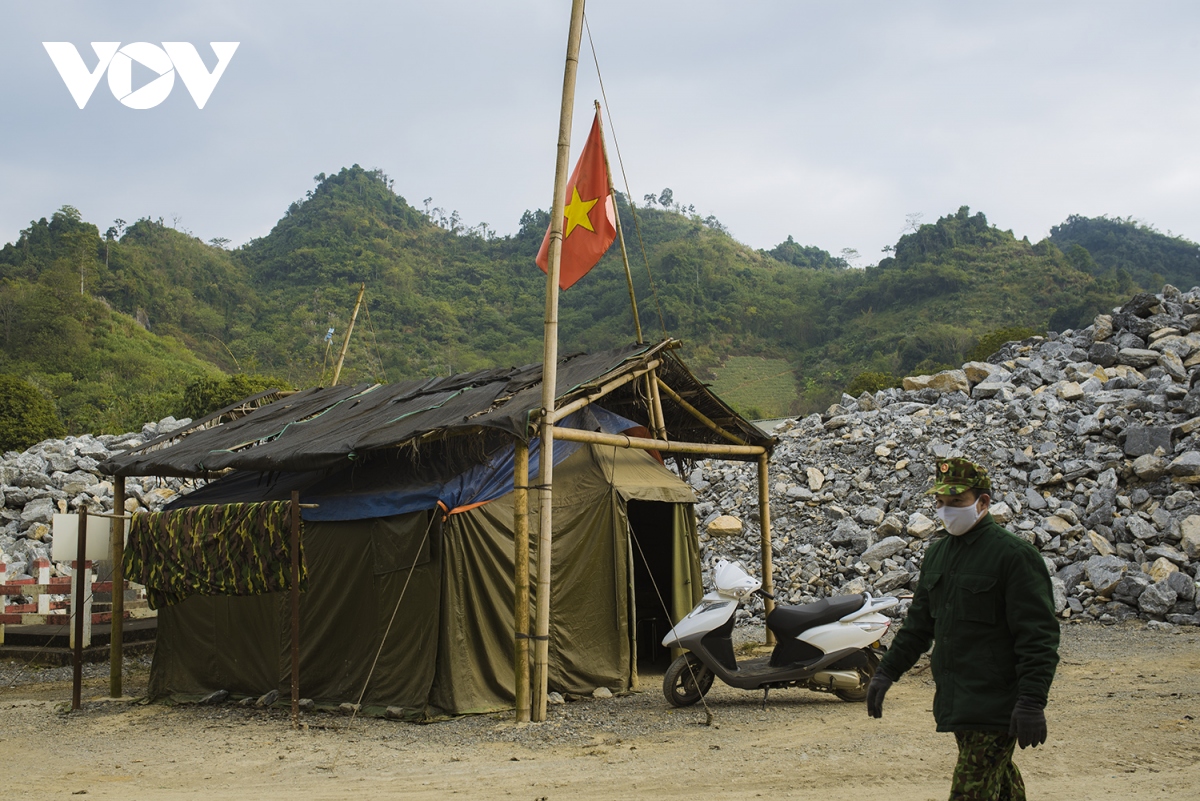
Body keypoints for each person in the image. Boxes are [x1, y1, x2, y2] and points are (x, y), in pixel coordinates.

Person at [866, 457, 1060, 801]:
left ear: (982, 503)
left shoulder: (1014, 556)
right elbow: (919, 624)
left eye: (957, 502)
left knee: (971, 788)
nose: (946, 510)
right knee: (997, 780)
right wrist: (886, 672)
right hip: (959, 697)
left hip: (997, 701)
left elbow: (1038, 636)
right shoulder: (939, 553)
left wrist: (1031, 700)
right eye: (941, 503)